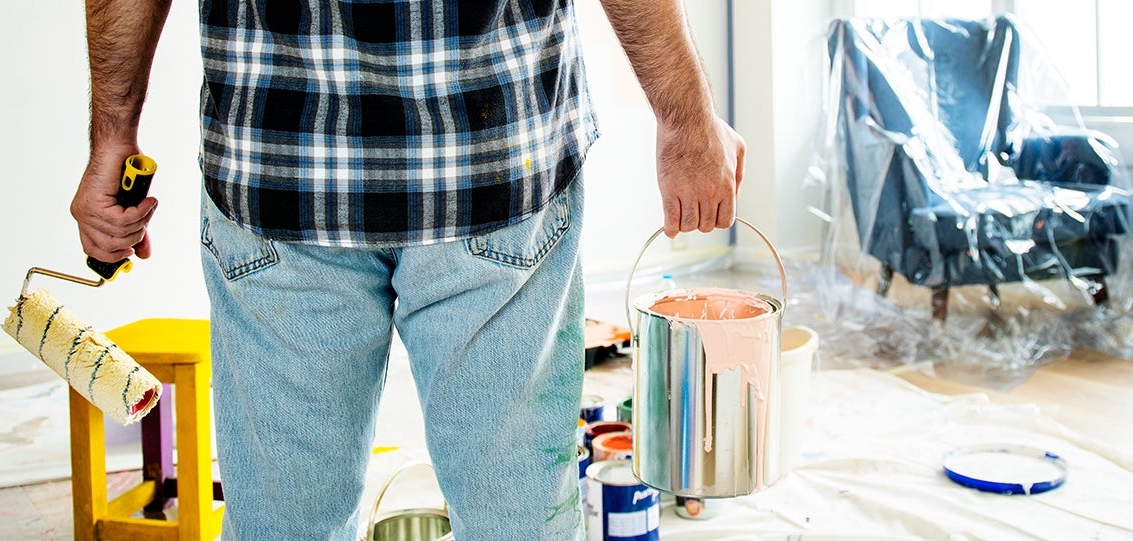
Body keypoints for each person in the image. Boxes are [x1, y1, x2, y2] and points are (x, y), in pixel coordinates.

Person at [69, 0, 743, 539]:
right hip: (493, 158)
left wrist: (112, 137)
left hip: (280, 165)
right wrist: (684, 121)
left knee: (285, 527)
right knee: (517, 522)